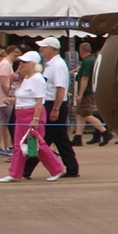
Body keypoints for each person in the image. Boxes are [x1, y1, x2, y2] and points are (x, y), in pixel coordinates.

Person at [3, 53, 66, 183]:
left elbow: (39, 101)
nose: (21, 65)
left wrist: (36, 118)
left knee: (37, 144)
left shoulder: (37, 79)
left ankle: (57, 169)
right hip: (21, 114)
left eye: (24, 63)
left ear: (33, 64)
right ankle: (15, 173)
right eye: (21, 63)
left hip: (31, 114)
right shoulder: (27, 78)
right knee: (18, 145)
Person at [36, 37, 79, 180]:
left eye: (44, 47)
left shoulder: (58, 65)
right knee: (61, 139)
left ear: (53, 49)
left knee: (45, 138)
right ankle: (72, 167)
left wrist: (56, 109)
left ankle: (26, 168)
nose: (41, 50)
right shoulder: (50, 64)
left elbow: (61, 88)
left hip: (54, 104)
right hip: (50, 103)